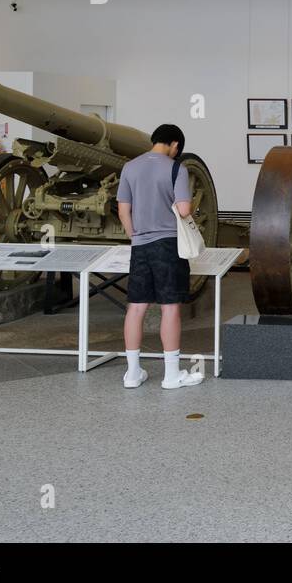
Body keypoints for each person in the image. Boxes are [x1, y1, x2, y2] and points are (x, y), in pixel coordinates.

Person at [116, 124, 203, 390]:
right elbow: (185, 209)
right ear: (175, 145)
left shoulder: (129, 167)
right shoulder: (176, 168)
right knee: (170, 307)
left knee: (137, 307)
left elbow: (123, 211)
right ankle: (172, 375)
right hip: (168, 245)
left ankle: (132, 374)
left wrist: (136, 236)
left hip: (140, 245)